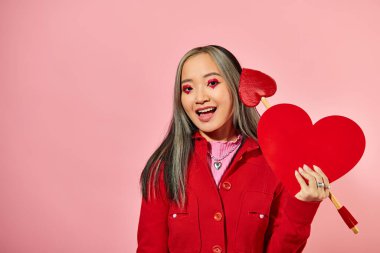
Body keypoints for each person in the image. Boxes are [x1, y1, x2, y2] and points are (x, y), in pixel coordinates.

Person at [137, 45, 330, 253]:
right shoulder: (164, 167)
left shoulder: (273, 164)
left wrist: (303, 205)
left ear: (237, 88)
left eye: (212, 83)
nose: (199, 97)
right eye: (188, 89)